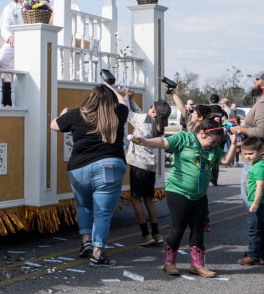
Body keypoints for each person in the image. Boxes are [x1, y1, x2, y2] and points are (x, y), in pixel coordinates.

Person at [131, 119, 238, 277]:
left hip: (200, 195)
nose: (213, 145)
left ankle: (197, 265)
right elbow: (163, 142)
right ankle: (169, 263)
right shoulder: (184, 139)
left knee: (198, 229)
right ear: (202, 133)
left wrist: (234, 144)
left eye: (217, 142)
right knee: (178, 227)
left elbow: (225, 161)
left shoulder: (214, 149)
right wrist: (145, 141)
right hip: (178, 191)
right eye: (212, 141)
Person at [50, 82, 128, 267]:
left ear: (91, 98)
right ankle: (97, 253)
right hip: (109, 166)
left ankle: (86, 242)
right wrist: (110, 87)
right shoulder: (118, 113)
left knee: (83, 205)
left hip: (79, 169)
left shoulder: (77, 114)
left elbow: (54, 125)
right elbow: (123, 101)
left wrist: (63, 116)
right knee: (102, 214)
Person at [233, 71, 264, 254]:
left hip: (263, 159)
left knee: (253, 203)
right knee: (262, 203)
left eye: (257, 79)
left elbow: (262, 132)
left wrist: (240, 128)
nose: (253, 81)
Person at [123, 89, 171, 246]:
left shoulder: (144, 119)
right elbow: (137, 112)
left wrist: (125, 96)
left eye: (151, 108)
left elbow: (129, 113)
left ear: (155, 113)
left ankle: (145, 234)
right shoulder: (159, 126)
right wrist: (131, 98)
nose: (149, 109)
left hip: (138, 164)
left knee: (136, 200)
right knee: (148, 200)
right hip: (150, 166)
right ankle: (156, 233)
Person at [237, 137, 264, 266]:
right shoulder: (259, 165)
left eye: (251, 153)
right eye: (245, 154)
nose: (248, 156)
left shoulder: (258, 167)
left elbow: (260, 186)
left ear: (260, 151)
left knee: (254, 230)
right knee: (263, 230)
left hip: (260, 204)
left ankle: (253, 256)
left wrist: (255, 203)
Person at [0, 0, 31, 106]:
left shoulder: (33, 7)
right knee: (0, 59)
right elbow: (3, 27)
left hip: (29, 43)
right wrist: (9, 37)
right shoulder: (9, 8)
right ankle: (12, 79)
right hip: (13, 42)